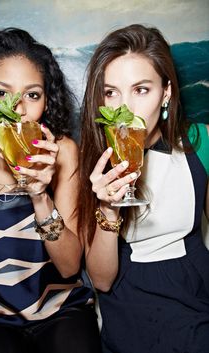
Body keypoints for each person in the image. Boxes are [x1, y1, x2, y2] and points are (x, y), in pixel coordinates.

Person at [78, 24, 209, 353]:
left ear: (165, 93)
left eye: (141, 90)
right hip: (129, 296)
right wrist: (107, 207)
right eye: (111, 93)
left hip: (193, 287)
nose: (125, 110)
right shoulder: (94, 161)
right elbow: (103, 280)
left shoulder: (202, 142)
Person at [0, 28, 101, 353]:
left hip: (59, 309)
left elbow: (71, 267)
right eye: (2, 93)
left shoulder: (63, 152)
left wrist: (40, 197)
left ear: (46, 100)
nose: (17, 109)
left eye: (32, 95)